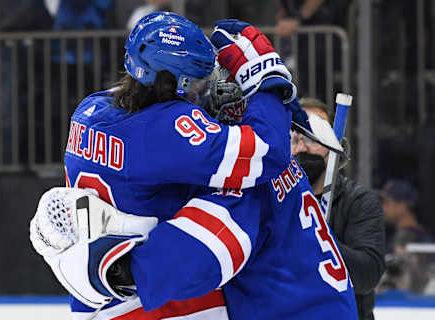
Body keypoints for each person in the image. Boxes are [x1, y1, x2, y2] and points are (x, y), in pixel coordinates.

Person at [30, 13, 358, 319]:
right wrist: (267, 79)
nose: (208, 96)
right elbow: (264, 153)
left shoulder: (91, 110)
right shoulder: (207, 154)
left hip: (109, 297)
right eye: (202, 85)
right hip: (160, 302)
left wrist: (116, 272)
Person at [291, 97, 385, 320]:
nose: (302, 147)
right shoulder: (269, 202)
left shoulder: (359, 202)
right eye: (294, 138)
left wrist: (316, 239)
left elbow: (367, 275)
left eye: (313, 137)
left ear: (335, 147)